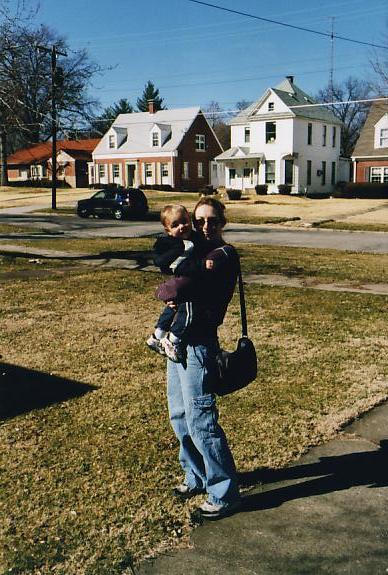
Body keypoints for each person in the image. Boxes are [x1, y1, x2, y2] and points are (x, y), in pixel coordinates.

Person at [166, 196, 241, 520]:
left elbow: (182, 287)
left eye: (212, 221)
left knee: (202, 423)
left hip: (199, 347)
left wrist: (173, 291)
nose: (205, 227)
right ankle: (195, 476)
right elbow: (175, 285)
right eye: (199, 221)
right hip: (178, 344)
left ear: (222, 223)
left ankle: (224, 493)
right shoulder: (196, 252)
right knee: (179, 416)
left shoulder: (222, 255)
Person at [146, 204, 205, 363]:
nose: (182, 227)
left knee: (174, 306)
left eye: (184, 221)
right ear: (168, 230)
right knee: (187, 307)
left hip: (188, 280)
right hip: (179, 280)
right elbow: (158, 261)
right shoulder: (167, 242)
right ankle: (172, 339)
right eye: (175, 225)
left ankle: (157, 335)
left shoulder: (195, 238)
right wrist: (178, 248)